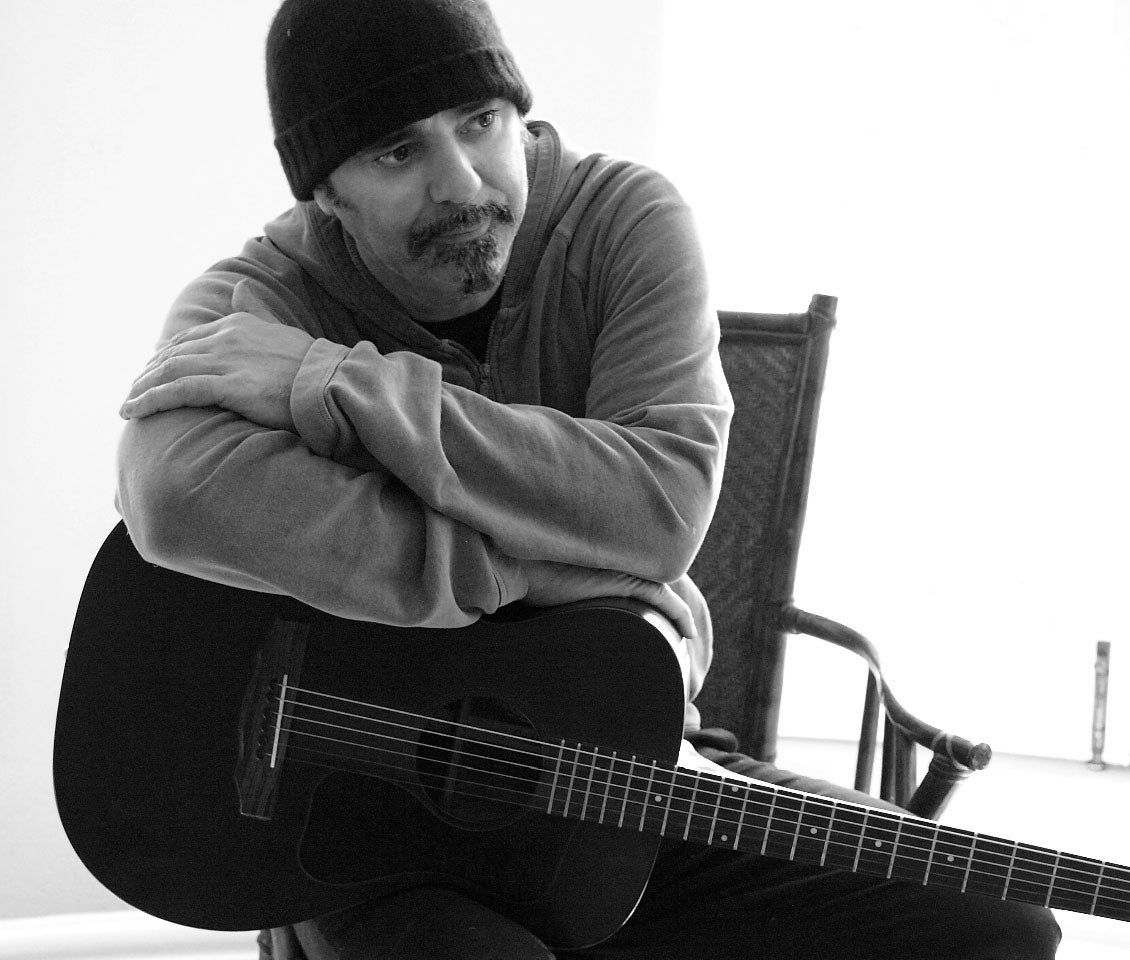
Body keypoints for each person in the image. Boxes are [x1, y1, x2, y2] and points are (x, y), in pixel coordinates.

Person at [116, 1, 1061, 957]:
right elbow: (172, 494)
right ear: (327, 194)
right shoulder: (259, 300)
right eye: (398, 152)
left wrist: (339, 383)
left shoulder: (624, 222)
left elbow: (659, 507)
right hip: (372, 820)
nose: (462, 183)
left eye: (480, 122)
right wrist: (559, 573)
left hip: (629, 768)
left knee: (998, 925)